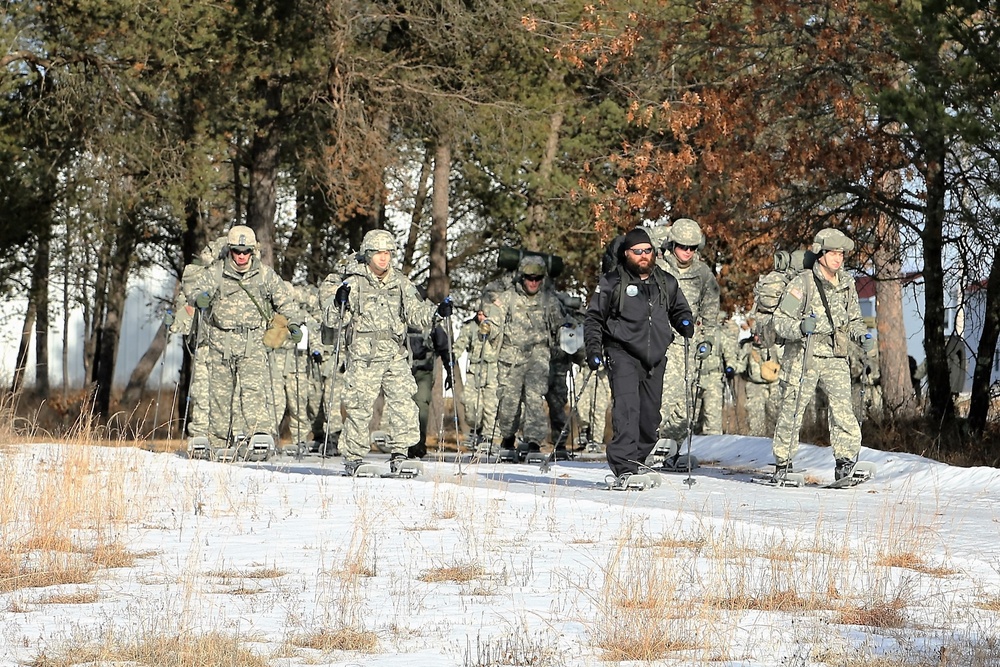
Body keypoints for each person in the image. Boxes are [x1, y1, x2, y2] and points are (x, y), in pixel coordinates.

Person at [319, 229, 452, 476]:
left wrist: (436, 313)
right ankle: (354, 456)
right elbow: (331, 318)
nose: (384, 258)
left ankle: (401, 453)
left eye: (388, 253)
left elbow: (415, 312)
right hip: (363, 354)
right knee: (359, 407)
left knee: (404, 402)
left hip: (393, 353)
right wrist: (339, 301)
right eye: (379, 253)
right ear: (368, 255)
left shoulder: (400, 282)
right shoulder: (353, 281)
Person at [584, 228, 694, 487]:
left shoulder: (666, 282)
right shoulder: (612, 282)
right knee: (627, 411)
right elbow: (593, 319)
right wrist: (593, 350)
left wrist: (685, 322)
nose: (643, 256)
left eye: (647, 251)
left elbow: (679, 308)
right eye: (637, 251)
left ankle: (637, 460)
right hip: (621, 353)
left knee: (650, 418)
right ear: (626, 254)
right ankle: (623, 466)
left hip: (655, 357)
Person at [185, 225, 304, 451]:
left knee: (253, 392)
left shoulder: (265, 275)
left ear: (252, 251)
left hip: (252, 344)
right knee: (220, 396)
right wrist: (199, 297)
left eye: (246, 251)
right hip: (221, 343)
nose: (241, 256)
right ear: (230, 250)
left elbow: (285, 302)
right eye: (237, 251)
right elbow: (194, 289)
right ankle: (219, 441)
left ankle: (258, 435)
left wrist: (293, 322)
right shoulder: (216, 272)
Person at [770, 228, 873, 481]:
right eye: (833, 253)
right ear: (820, 253)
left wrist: (861, 335)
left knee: (843, 410)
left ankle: (846, 461)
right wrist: (800, 327)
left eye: (842, 254)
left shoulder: (847, 283)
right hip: (804, 355)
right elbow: (780, 321)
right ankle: (783, 463)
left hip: (836, 355)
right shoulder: (803, 283)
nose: (838, 259)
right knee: (793, 409)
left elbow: (854, 319)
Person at [484, 255, 563, 459]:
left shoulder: (549, 300)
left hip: (538, 357)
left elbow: (560, 324)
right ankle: (508, 437)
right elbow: (494, 319)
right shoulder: (508, 297)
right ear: (522, 277)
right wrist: (488, 328)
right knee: (509, 402)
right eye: (529, 278)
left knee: (534, 400)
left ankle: (534, 442)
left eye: (537, 278)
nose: (533, 282)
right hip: (511, 358)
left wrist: (569, 335)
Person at [654, 218, 721, 442]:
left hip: (688, 343)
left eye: (692, 247)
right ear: (673, 245)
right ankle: (649, 444)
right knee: (664, 396)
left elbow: (710, 310)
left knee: (686, 400)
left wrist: (708, 339)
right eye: (683, 246)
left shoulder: (703, 274)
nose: (688, 251)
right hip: (660, 341)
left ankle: (672, 446)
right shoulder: (658, 269)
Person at [405, 314, 452, 459]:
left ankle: (418, 444)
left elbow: (444, 346)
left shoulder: (431, 319)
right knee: (401, 407)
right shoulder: (400, 314)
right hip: (402, 370)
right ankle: (402, 444)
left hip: (423, 371)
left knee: (421, 407)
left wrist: (450, 371)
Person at [453, 307, 500, 449]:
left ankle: (488, 438)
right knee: (471, 407)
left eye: (484, 315)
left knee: (490, 406)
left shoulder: (497, 326)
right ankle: (476, 428)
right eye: (479, 314)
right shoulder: (470, 327)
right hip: (475, 372)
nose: (481, 318)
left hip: (492, 371)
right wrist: (452, 356)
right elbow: (460, 344)